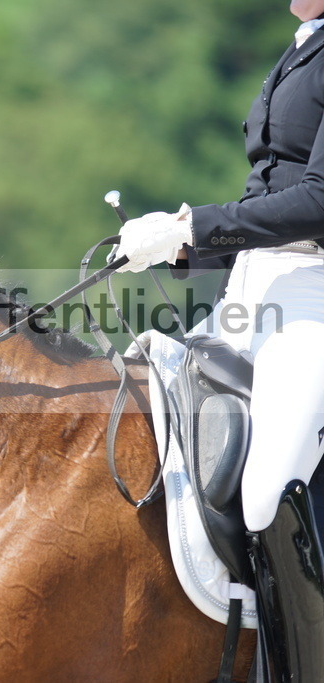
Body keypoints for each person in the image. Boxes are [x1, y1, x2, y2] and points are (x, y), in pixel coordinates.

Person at [115, 3, 324, 678]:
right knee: (143, 401)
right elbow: (270, 193)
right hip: (255, 294)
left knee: (269, 488)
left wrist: (193, 226)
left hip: (314, 300)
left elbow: (318, 202)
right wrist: (181, 246)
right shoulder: (304, 48)